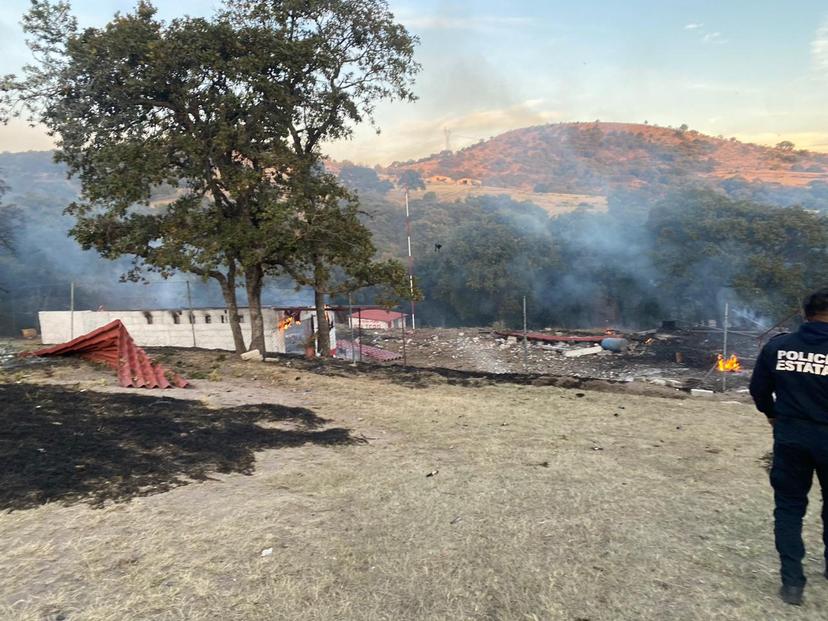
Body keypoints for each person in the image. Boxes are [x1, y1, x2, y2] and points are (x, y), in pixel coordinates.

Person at [750, 289, 828, 606]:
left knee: (789, 508)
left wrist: (772, 415)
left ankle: (792, 584)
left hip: (790, 436)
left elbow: (758, 389)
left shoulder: (778, 346)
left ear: (805, 314)